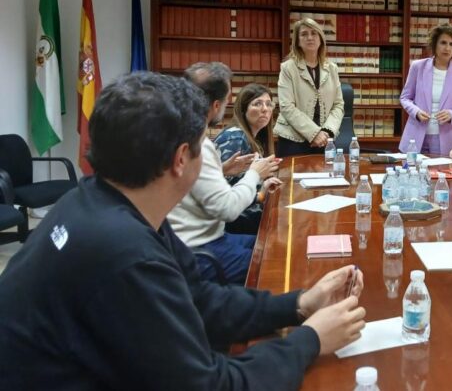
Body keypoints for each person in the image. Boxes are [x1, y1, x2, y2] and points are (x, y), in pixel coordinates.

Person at [0, 71, 366, 390]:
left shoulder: (100, 201)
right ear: (180, 160)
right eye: (203, 146)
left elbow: (200, 300)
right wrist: (312, 340)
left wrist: (299, 304)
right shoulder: (124, 254)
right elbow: (210, 384)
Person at [168, 62, 281, 284]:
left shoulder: (179, 133)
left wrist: (222, 170)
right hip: (201, 248)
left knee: (271, 242)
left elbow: (191, 183)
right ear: (217, 104)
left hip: (200, 238)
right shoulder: (199, 143)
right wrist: (254, 174)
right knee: (275, 259)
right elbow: (227, 210)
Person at [399, 23, 452, 155]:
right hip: (416, 136)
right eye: (443, 43)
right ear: (435, 44)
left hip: (447, 137)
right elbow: (405, 97)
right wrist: (416, 112)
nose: (447, 48)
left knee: (442, 174)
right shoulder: (418, 66)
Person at [275, 18, 344, 157]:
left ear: (321, 39)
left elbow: (338, 104)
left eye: (314, 33)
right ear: (298, 41)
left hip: (325, 140)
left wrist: (327, 132)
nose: (310, 37)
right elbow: (286, 106)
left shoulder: (332, 69)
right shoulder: (288, 68)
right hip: (293, 139)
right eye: (304, 34)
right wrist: (313, 133)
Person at [215, 82, 276, 186]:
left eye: (269, 104)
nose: (265, 109)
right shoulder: (235, 138)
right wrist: (261, 193)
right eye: (257, 103)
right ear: (243, 110)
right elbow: (228, 191)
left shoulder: (255, 138)